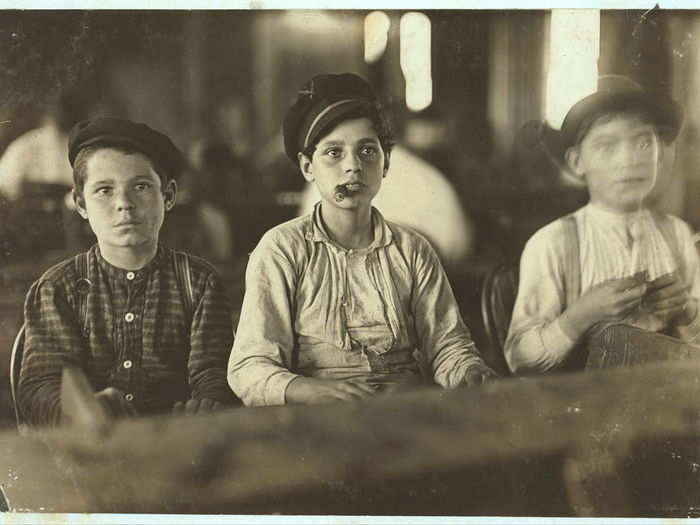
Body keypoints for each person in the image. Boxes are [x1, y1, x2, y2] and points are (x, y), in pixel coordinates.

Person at [228, 73, 495, 407]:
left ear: (385, 165)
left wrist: (469, 371)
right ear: (308, 167)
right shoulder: (281, 250)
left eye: (368, 151)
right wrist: (314, 390)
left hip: (400, 412)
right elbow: (249, 368)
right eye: (334, 153)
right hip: (314, 422)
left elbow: (447, 347)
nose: (353, 166)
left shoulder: (412, 250)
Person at [18, 118, 237, 426]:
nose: (124, 204)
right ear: (80, 203)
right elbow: (41, 386)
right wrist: (83, 409)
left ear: (169, 195)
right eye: (104, 190)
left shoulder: (198, 282)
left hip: (179, 445)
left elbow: (212, 371)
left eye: (141, 187)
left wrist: (207, 403)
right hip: (89, 452)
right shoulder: (58, 288)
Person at [505, 75, 700, 374]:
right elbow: (520, 359)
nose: (629, 160)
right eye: (607, 147)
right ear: (576, 162)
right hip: (583, 407)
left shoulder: (678, 235)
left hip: (666, 401)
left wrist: (685, 310)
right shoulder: (552, 242)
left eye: (644, 144)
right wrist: (579, 317)